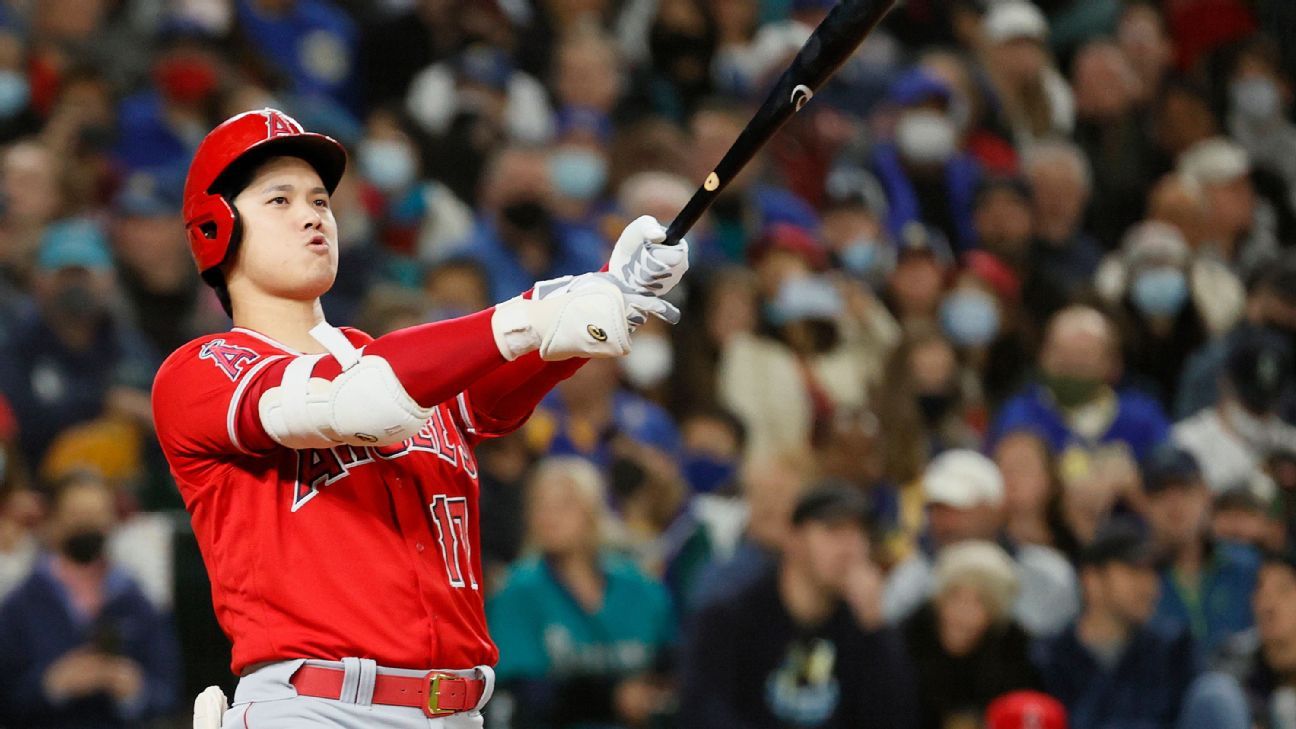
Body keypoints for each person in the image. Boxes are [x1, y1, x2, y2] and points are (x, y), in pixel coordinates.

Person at [150, 108, 689, 726]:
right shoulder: (204, 369)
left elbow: (485, 394)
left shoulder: (390, 363)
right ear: (216, 227)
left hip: (458, 709)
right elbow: (365, 400)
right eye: (280, 199)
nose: (312, 215)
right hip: (318, 708)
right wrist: (533, 315)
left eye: (321, 200)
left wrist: (612, 287)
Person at [678, 485, 920, 729]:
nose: (850, 548)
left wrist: (875, 625)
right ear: (794, 540)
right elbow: (703, 712)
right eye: (833, 531)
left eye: (860, 534)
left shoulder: (861, 627)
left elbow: (897, 718)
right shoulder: (732, 616)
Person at [487, 457, 675, 729]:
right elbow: (523, 696)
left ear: (592, 511)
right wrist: (611, 698)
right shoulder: (517, 592)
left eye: (564, 504)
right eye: (540, 505)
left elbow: (673, 663)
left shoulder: (639, 588)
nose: (549, 516)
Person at [0, 471, 181, 728]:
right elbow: (7, 699)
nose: (88, 524)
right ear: (52, 521)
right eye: (76, 515)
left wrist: (133, 689)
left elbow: (169, 693)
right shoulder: (19, 606)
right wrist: (52, 685)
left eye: (97, 515)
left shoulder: (137, 602)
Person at [1034, 518, 1250, 729]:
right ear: (1092, 580)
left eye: (1154, 572)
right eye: (1134, 571)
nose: (1149, 584)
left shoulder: (1173, 647)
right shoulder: (1049, 657)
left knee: (1216, 693)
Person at [883, 449, 1079, 638]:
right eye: (936, 510)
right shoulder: (910, 580)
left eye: (958, 508)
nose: (945, 522)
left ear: (995, 509)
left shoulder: (1048, 575)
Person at [902, 540, 1039, 729]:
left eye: (978, 602)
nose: (962, 613)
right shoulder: (908, 642)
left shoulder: (1014, 656)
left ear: (993, 614)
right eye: (955, 597)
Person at [1143, 446, 1260, 661]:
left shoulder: (1247, 565)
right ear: (1145, 506)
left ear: (1206, 495)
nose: (1174, 504)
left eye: (1185, 489)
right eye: (1160, 493)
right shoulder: (1138, 579)